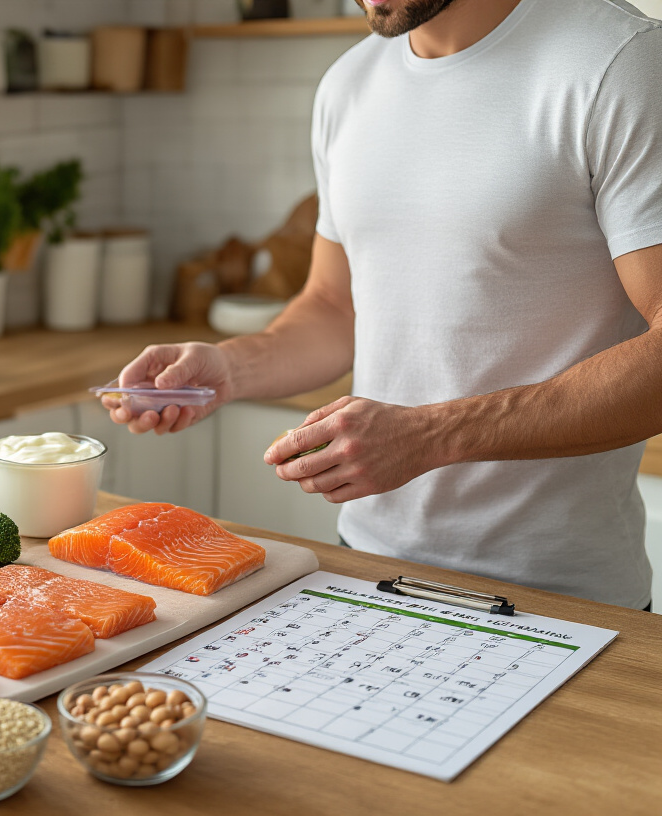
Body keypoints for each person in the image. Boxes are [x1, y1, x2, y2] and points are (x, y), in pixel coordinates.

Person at [109, 0, 662, 609]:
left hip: (561, 593)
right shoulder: (349, 83)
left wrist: (429, 436)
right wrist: (231, 368)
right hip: (364, 568)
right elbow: (331, 307)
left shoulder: (620, 62)